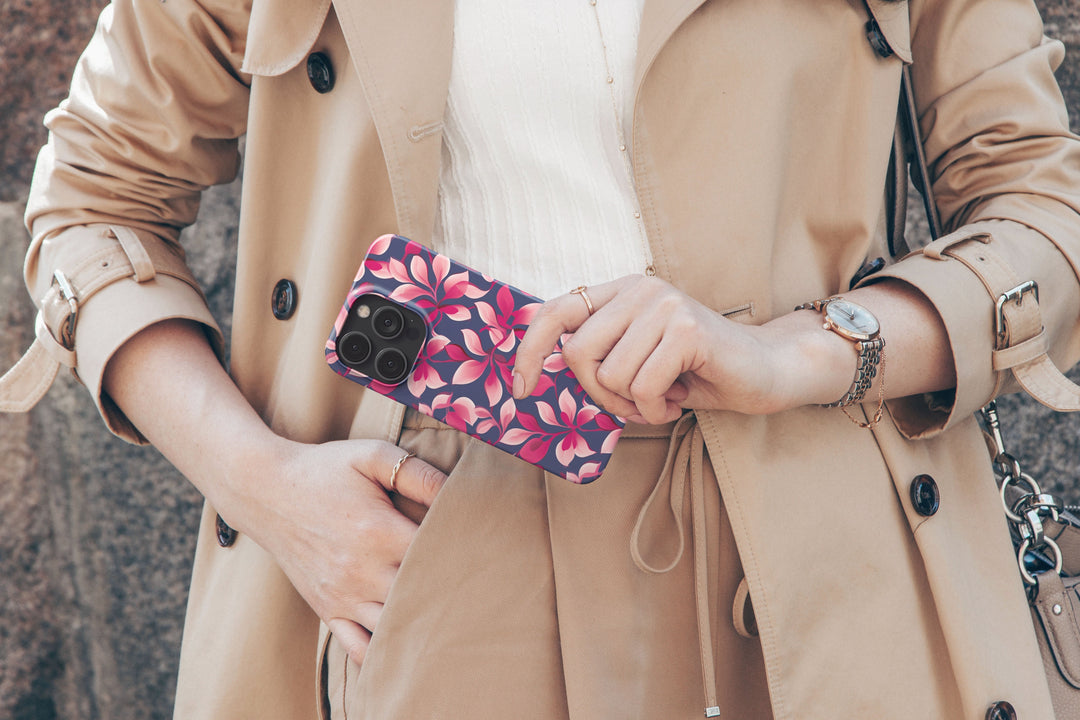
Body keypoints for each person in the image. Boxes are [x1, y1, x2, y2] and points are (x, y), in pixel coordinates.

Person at [3, 0, 1079, 717]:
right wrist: (270, 491)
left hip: (818, 556)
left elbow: (1042, 195)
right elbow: (93, 201)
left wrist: (801, 352)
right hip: (416, 551)